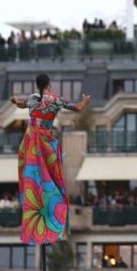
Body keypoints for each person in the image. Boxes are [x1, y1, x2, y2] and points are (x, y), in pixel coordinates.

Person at [10, 73, 89, 245]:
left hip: (30, 141)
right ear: (49, 84)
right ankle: (54, 217)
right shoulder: (54, 99)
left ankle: (36, 217)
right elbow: (76, 108)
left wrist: (15, 101)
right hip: (45, 141)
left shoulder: (32, 99)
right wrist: (85, 101)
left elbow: (22, 105)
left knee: (32, 179)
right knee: (52, 178)